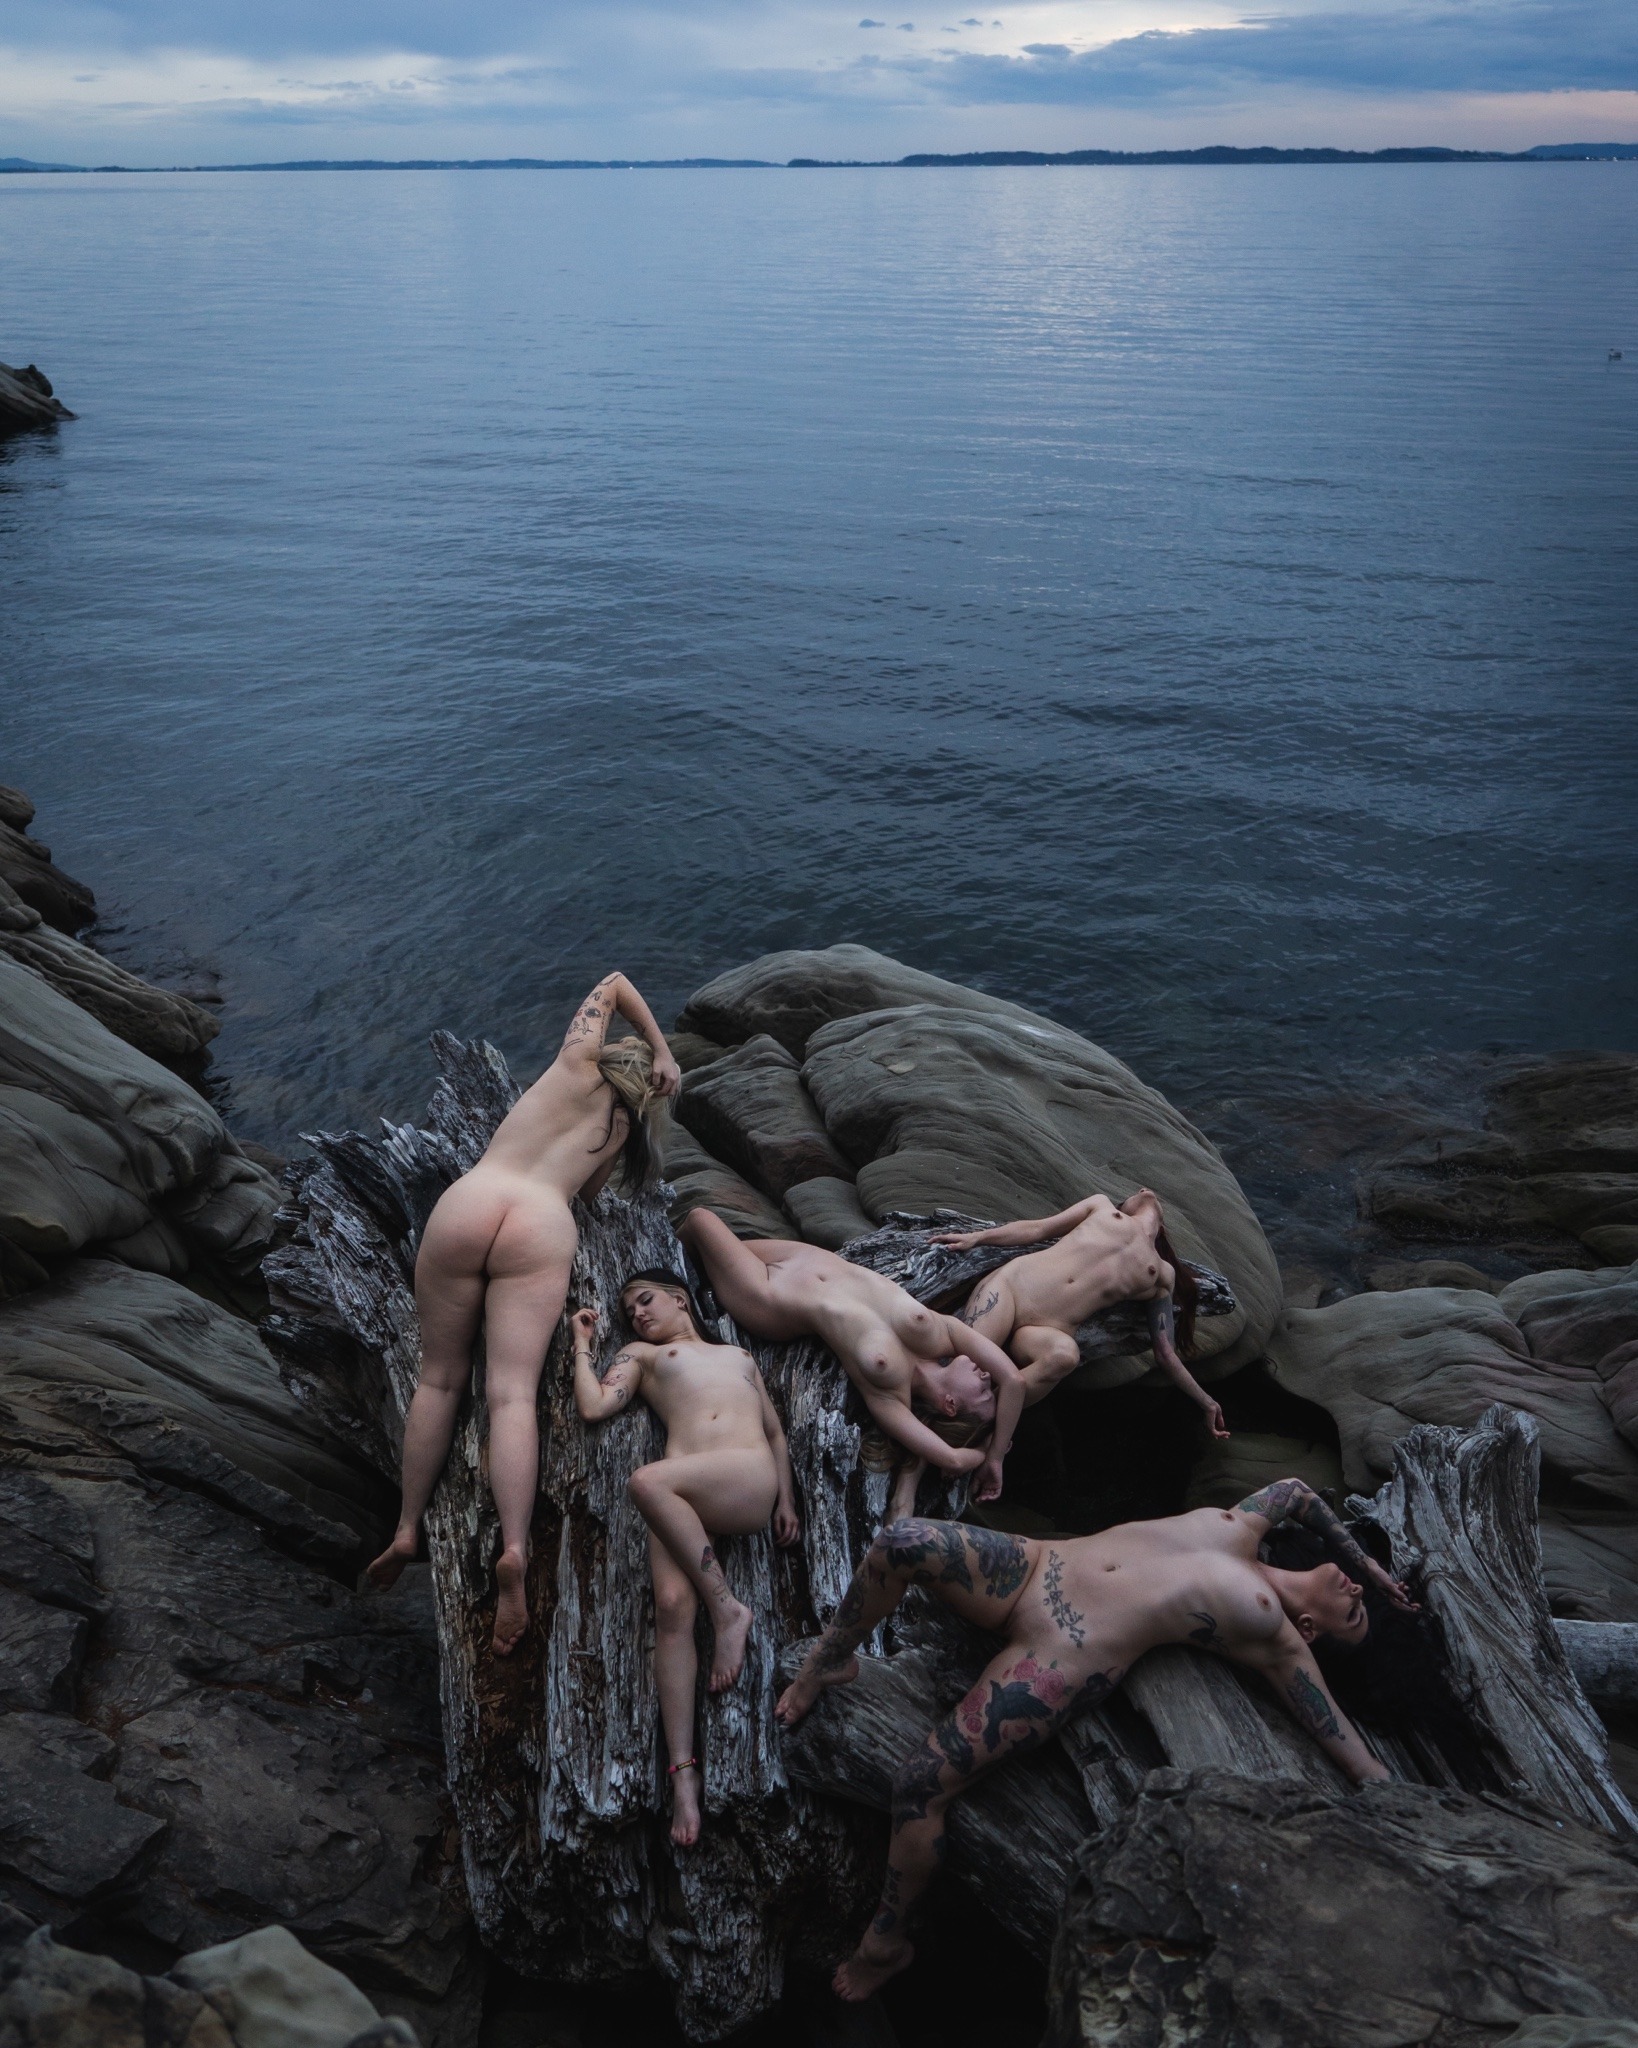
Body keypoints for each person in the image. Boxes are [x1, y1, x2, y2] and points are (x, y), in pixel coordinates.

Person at [777, 1476, 1414, 2001]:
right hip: (1038, 1565)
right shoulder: (1245, 1527)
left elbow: (1333, 1726)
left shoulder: (1276, 1633)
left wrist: (1380, 1786)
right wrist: (1370, 1565)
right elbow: (1298, 1492)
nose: (1355, 1589)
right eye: (1361, 1592)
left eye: (1355, 1611)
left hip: (1066, 1651)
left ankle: (884, 1943)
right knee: (900, 1542)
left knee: (920, 1785)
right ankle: (830, 1660)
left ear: (1311, 1630)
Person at [367, 974, 682, 1654]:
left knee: (439, 1380)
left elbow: (615, 983)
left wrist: (661, 1046)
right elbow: (588, 1196)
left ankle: (406, 1528)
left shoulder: (576, 1060)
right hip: (539, 1223)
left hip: (472, 1202)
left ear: (607, 1053)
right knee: (510, 1396)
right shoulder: (622, 1129)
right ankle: (513, 1548)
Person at [571, 1272, 800, 1848]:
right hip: (684, 1498)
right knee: (672, 1610)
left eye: (645, 1300)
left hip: (745, 1478)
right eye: (629, 1310)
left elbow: (775, 1434)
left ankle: (727, 1611)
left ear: (679, 1299)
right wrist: (582, 1346)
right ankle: (683, 1777)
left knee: (646, 1481)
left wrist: (788, 1501)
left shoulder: (739, 1356)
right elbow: (595, 1406)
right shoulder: (641, 1355)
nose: (638, 1314)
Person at [680, 1208, 1027, 1503]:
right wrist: (996, 1452)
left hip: (771, 1297)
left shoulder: (890, 1396)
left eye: (983, 1393)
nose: (987, 1377)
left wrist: (986, 1460)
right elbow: (1014, 1380)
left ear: (949, 1405)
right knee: (691, 1249)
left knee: (699, 1221)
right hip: (804, 1257)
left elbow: (951, 1458)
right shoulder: (945, 1336)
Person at [930, 1189, 1230, 1435]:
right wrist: (978, 1237)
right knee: (962, 1371)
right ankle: (927, 1434)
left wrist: (1207, 1402)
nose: (1143, 1190)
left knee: (1065, 1356)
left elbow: (1166, 1353)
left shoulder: (1162, 1274)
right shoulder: (1100, 1206)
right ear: (1123, 1207)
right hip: (1011, 1291)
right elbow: (1038, 1228)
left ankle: (981, 1428)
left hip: (1043, 1333)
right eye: (1135, 1192)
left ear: (1162, 1229)